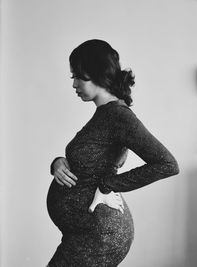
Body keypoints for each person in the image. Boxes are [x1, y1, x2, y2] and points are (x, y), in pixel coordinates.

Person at [46, 39, 179, 267]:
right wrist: (58, 163)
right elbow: (89, 161)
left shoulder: (118, 116)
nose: (74, 84)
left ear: (97, 74)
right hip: (84, 231)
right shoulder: (105, 114)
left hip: (99, 235)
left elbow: (167, 164)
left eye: (78, 76)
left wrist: (109, 183)